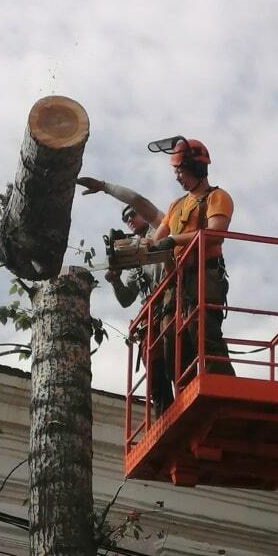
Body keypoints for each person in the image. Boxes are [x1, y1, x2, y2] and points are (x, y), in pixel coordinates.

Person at [76, 177, 174, 414]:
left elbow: (138, 200)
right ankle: (164, 412)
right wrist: (116, 279)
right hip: (154, 313)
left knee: (177, 356)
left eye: (132, 214)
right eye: (125, 218)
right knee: (154, 365)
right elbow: (126, 300)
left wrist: (104, 187)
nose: (129, 219)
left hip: (174, 300)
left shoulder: (162, 228)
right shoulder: (136, 255)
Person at [145, 137, 235, 379]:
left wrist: (174, 241)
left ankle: (223, 387)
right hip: (177, 285)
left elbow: (215, 233)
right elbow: (156, 241)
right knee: (171, 345)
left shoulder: (217, 197)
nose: (177, 177)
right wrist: (135, 248)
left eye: (180, 170)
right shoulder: (176, 206)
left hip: (204, 277)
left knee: (204, 335)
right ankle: (184, 392)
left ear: (196, 167)